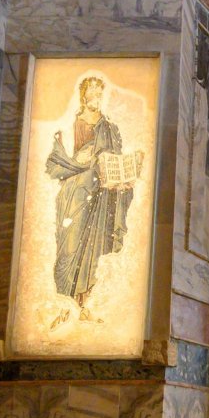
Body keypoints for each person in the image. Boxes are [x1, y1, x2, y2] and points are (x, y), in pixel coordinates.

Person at [46, 75, 142, 328]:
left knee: (93, 248)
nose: (96, 98)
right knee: (69, 244)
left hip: (100, 195)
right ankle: (62, 304)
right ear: (84, 95)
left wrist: (123, 177)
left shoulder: (109, 126)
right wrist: (85, 160)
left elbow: (115, 159)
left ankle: (83, 304)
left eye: (100, 93)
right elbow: (58, 159)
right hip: (75, 192)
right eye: (92, 93)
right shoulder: (71, 124)